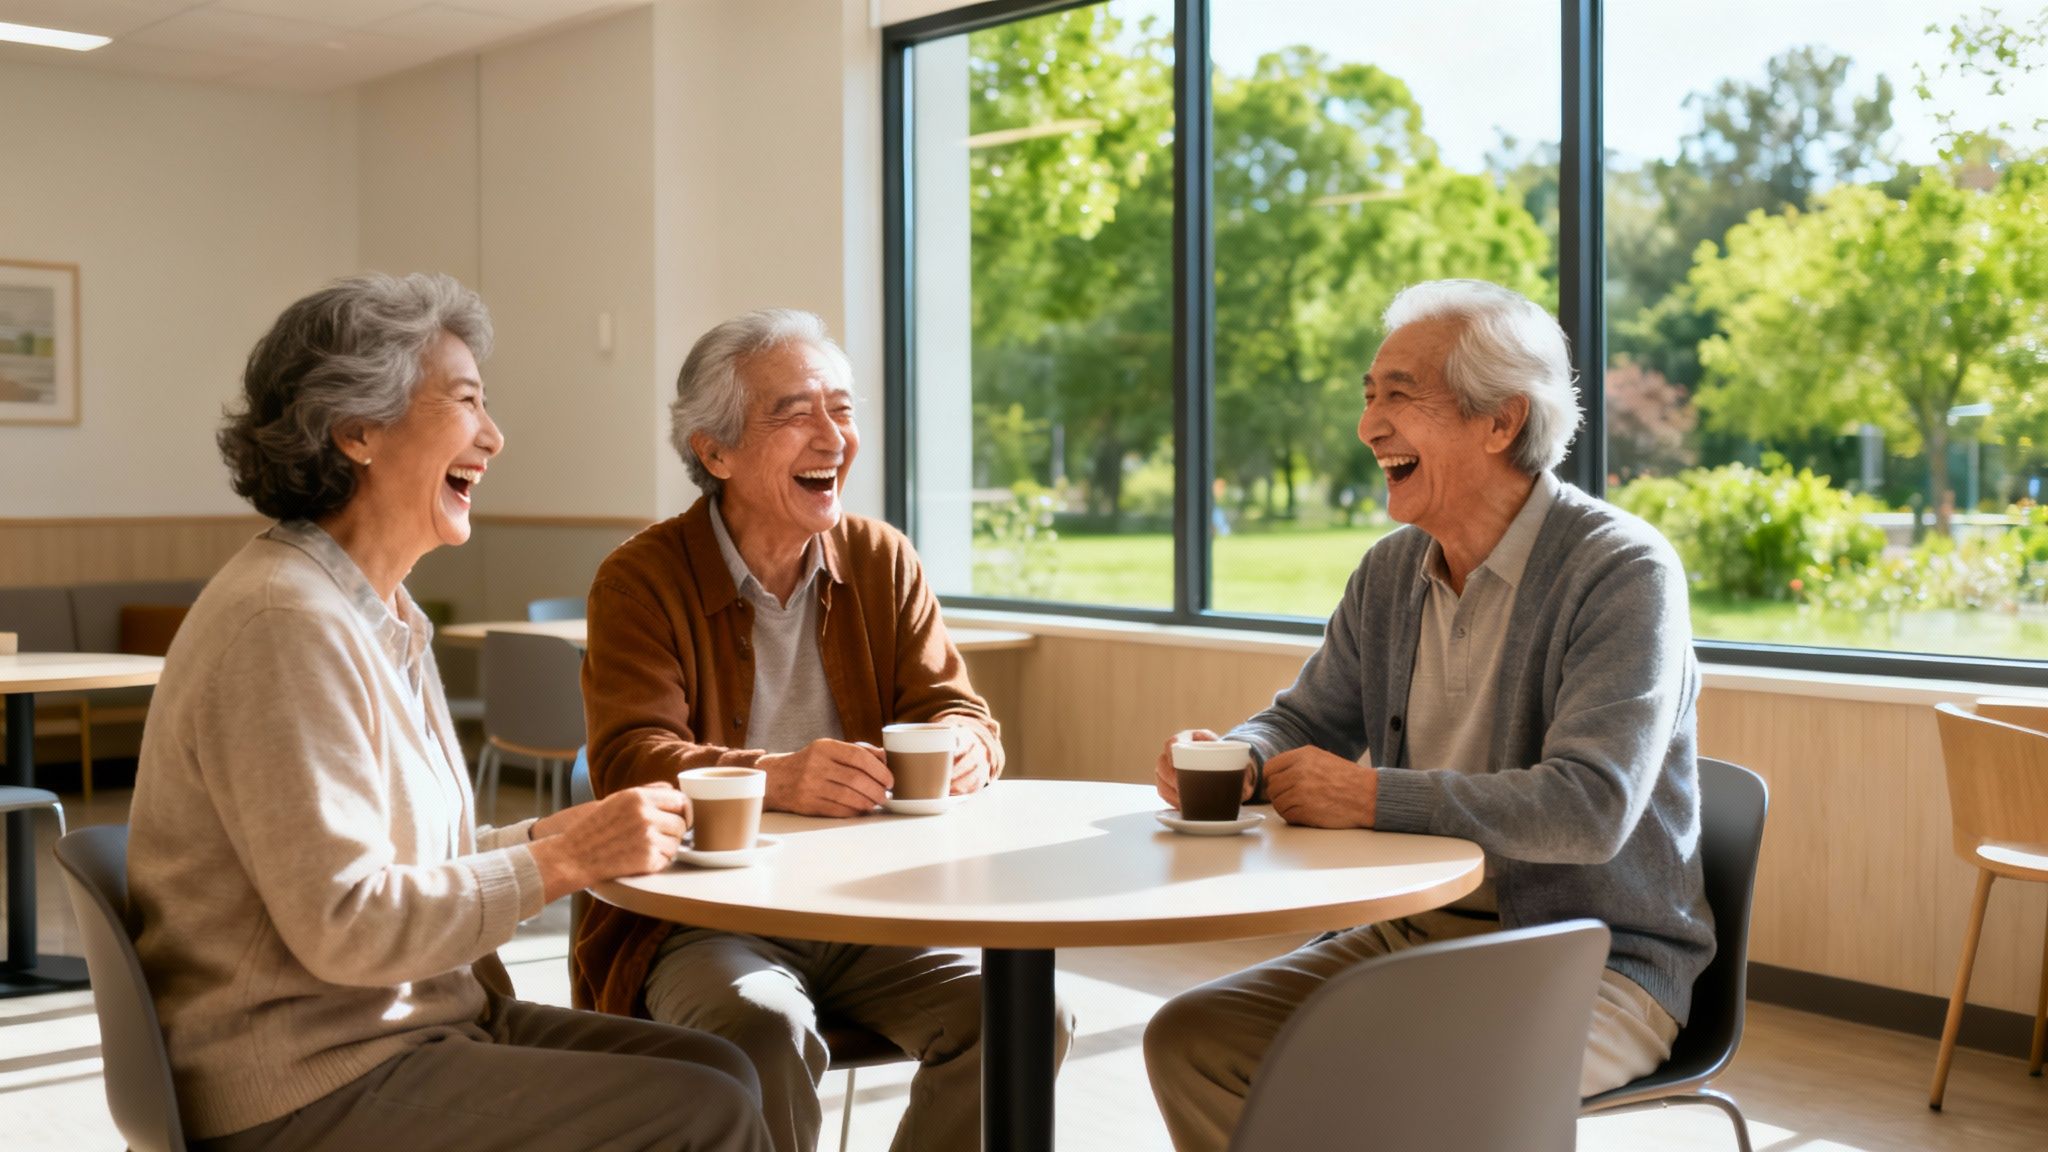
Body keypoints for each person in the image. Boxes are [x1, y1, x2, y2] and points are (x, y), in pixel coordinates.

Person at [128, 273, 771, 1152]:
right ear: (356, 430)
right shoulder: (284, 621)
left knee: (727, 1071)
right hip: (305, 1080)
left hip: (409, 1029)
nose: (495, 437)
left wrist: (554, 840)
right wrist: (565, 862)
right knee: (706, 1110)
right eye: (466, 400)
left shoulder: (379, 612)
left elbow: (420, 867)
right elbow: (350, 925)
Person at [1142, 279, 1716, 1152]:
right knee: (1195, 1040)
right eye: (1369, 396)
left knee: (1396, 1099)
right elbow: (1305, 719)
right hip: (1418, 935)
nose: (1370, 425)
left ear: (1502, 422)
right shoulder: (1390, 571)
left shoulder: (1623, 571)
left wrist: (1374, 800)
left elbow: (1590, 809)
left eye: (1399, 396)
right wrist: (1236, 758)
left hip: (1589, 964)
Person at [575, 308, 1073, 1152]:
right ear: (715, 450)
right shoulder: (639, 578)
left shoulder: (881, 558)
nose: (832, 436)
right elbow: (629, 758)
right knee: (761, 1025)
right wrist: (778, 776)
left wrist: (963, 748)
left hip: (873, 907)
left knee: (1025, 1016)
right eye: (796, 412)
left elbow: (963, 712)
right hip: (704, 914)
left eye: (842, 409)